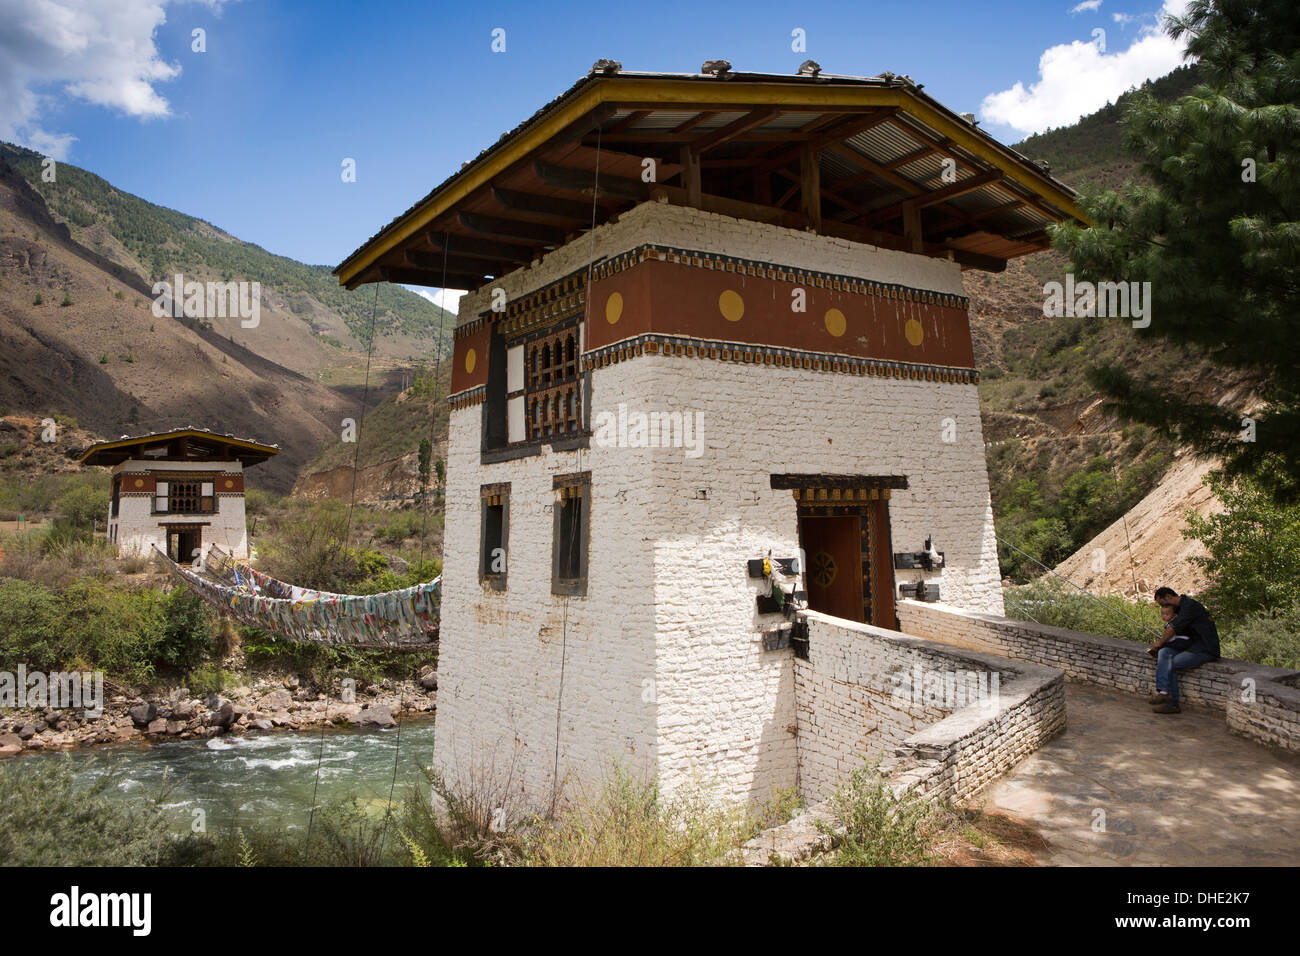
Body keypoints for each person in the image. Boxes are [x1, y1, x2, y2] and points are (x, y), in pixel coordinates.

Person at [1147, 586, 1220, 714]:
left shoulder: (1189, 607)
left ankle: (1174, 704)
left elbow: (1173, 628)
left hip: (1204, 648)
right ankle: (1163, 691)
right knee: (1164, 653)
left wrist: (1159, 643)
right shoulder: (1181, 608)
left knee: (1173, 664)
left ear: (1169, 597)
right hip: (1190, 646)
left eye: (1163, 603)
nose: (1163, 608)